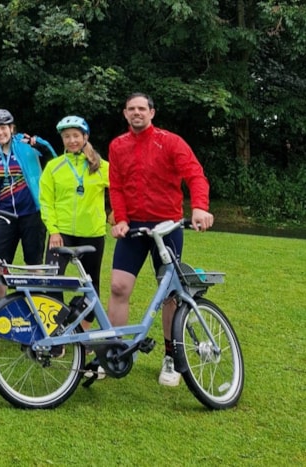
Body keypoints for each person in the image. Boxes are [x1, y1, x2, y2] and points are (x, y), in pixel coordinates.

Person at [107, 92, 214, 387]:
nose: (137, 113)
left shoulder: (170, 141)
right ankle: (113, 351)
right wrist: (121, 219)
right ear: (125, 113)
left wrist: (200, 206)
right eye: (131, 109)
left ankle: (171, 356)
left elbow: (195, 174)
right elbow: (116, 185)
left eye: (142, 108)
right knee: (118, 287)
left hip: (167, 227)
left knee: (169, 293)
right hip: (133, 229)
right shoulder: (118, 145)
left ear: (152, 112)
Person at [39, 115, 110, 332]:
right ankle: (54, 329)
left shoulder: (102, 166)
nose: (71, 141)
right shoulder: (54, 167)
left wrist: (115, 213)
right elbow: (46, 201)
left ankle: (83, 330)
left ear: (85, 137)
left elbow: (121, 192)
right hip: (61, 233)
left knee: (90, 283)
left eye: (76, 136)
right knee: (51, 280)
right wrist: (53, 231)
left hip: (92, 233)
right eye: (67, 137)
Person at [0, 109, 55, 301]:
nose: (0, 133)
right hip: (4, 214)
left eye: (3, 128)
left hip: (32, 212)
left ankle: (37, 308)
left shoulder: (27, 146)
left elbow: (54, 161)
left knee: (33, 264)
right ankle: (2, 306)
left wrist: (40, 144)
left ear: (11, 128)